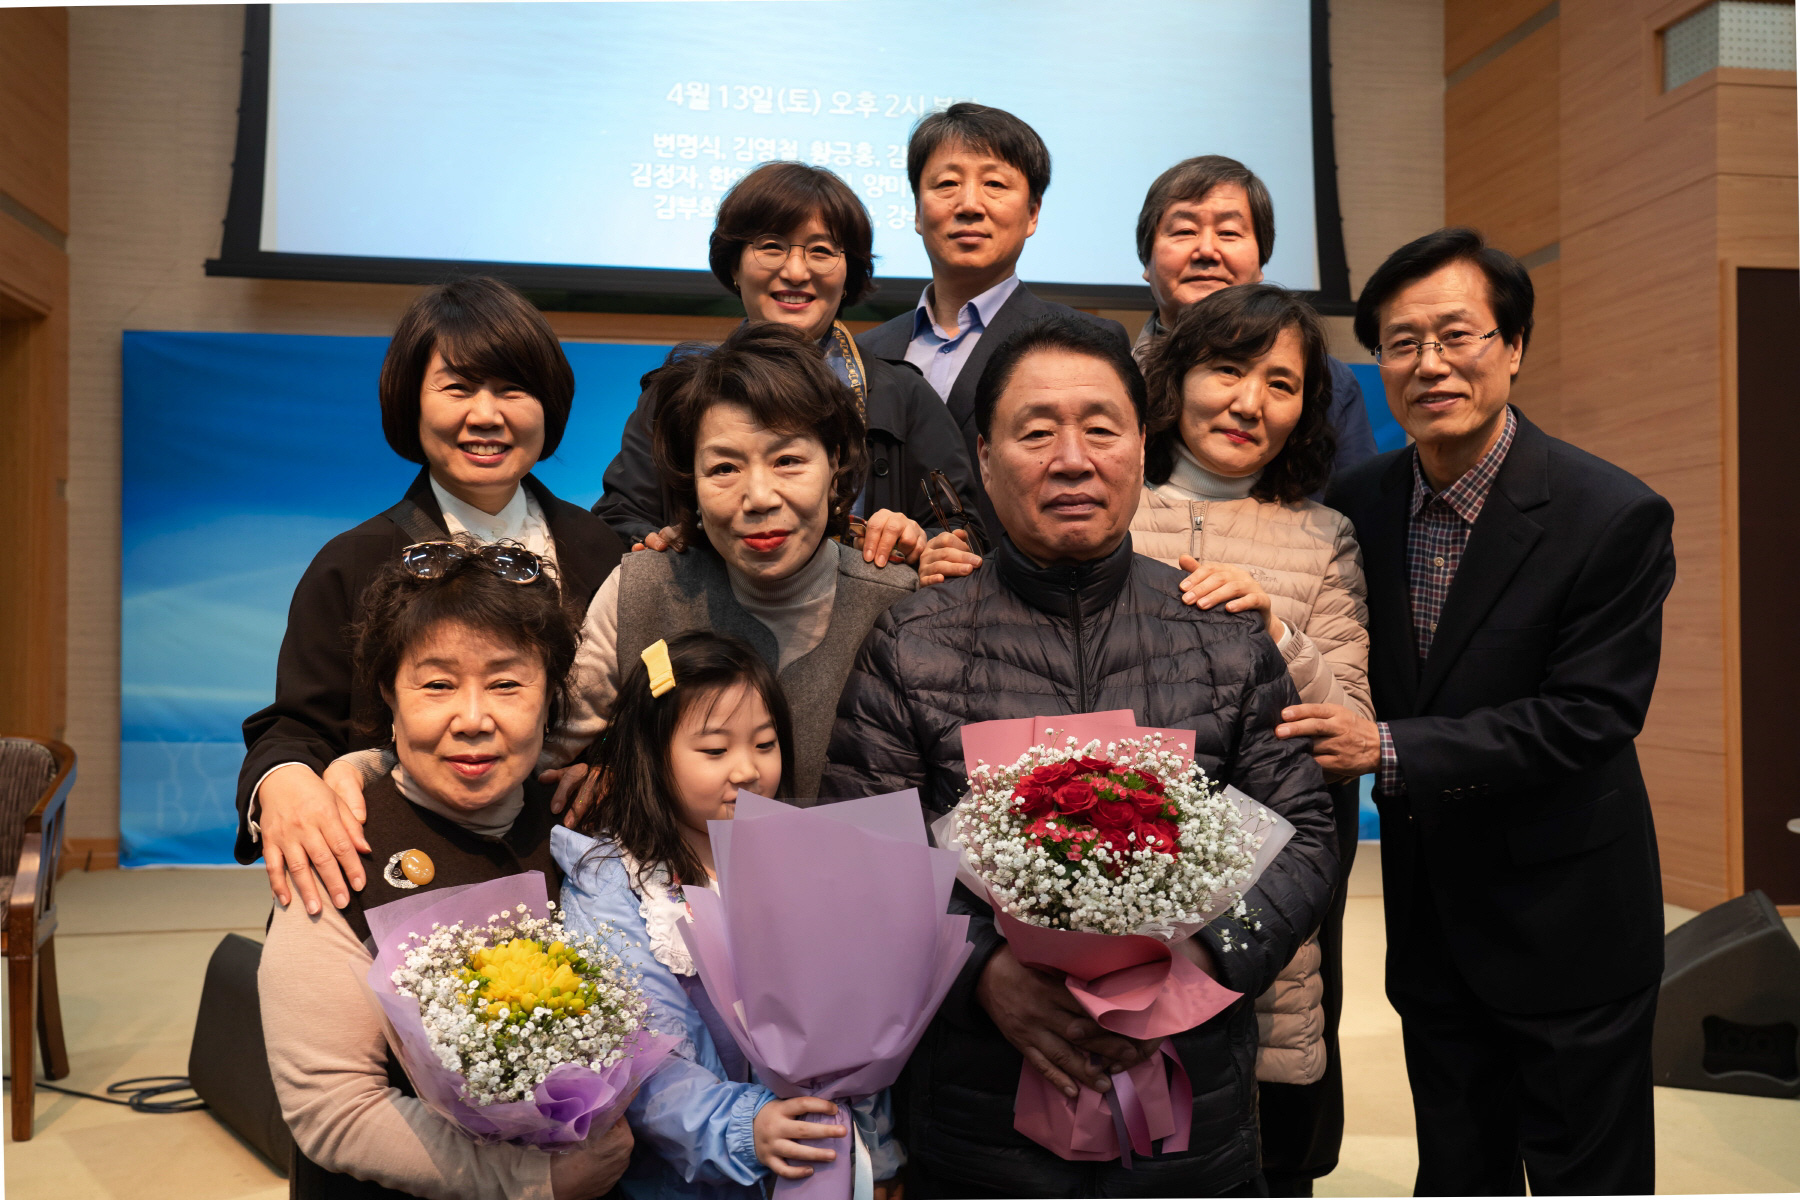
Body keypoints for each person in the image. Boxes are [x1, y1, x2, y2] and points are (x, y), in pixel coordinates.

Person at [823, 316, 1339, 1198]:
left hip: (1192, 1109)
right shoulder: (911, 641)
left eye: (1101, 428)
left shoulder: (1222, 636)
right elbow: (865, 851)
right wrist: (985, 973)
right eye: (1036, 433)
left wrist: (1199, 964)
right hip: (979, 1114)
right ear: (985, 459)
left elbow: (1307, 834)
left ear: (1141, 447)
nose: (1072, 459)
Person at [1292, 227, 1675, 1195]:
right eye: (1401, 342)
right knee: (1458, 1173)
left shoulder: (1610, 514)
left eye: (1457, 335)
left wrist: (1385, 748)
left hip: (1568, 925)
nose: (1430, 364)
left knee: (1590, 1179)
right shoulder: (1356, 505)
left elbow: (1590, 714)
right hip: (1433, 921)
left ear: (1513, 347)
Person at [330, 321, 919, 818]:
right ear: (688, 483)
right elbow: (536, 741)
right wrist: (370, 769)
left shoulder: (901, 606)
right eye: (723, 469)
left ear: (836, 464)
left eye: (788, 460)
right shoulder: (644, 588)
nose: (759, 496)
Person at [258, 541, 634, 1199]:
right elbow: (334, 1108)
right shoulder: (338, 847)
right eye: (436, 685)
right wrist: (530, 1180)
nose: (473, 719)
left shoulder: (578, 824)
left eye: (507, 683)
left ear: (551, 695)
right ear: (389, 693)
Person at [238, 276, 624, 915]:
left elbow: (635, 709)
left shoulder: (600, 549)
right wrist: (284, 783)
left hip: (581, 872)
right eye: (458, 388)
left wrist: (615, 766)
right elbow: (295, 727)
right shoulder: (352, 562)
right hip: (406, 872)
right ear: (410, 403)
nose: (486, 415)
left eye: (512, 389)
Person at [1133, 283, 1372, 1196]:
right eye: (1227, 370)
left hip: (1258, 907)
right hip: (1106, 875)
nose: (1249, 402)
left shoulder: (1325, 536)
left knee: (1258, 1156)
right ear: (1176, 378)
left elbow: (1345, 725)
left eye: (1282, 383)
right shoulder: (1112, 507)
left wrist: (1276, 627)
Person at [553, 631, 902, 1200]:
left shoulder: (808, 858)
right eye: (715, 751)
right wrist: (746, 1126)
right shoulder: (614, 883)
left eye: (764, 744)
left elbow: (862, 1030)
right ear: (650, 755)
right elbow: (644, 1058)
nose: (746, 770)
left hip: (823, 1155)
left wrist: (875, 1155)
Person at [595, 160, 980, 560]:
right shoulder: (676, 395)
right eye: (771, 247)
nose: (796, 271)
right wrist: (661, 543)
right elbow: (618, 519)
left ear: (848, 276)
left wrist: (920, 541)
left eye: (821, 251)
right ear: (734, 266)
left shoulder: (904, 395)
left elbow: (966, 535)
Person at [856, 103, 1131, 538]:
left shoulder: (1088, 342)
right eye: (947, 184)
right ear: (917, 212)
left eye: (995, 184)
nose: (969, 204)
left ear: (1033, 213)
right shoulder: (864, 354)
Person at [1133, 155, 1376, 483]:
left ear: (1261, 263)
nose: (1207, 251)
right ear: (1146, 261)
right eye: (1185, 230)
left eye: (1229, 232)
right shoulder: (1110, 374)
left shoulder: (1328, 381)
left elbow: (1355, 497)